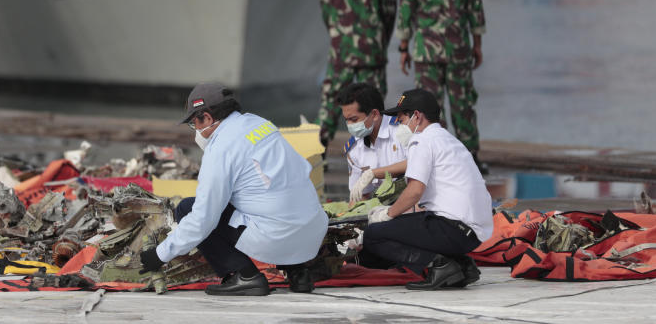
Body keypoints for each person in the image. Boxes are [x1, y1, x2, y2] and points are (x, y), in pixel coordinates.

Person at [139, 82, 328, 296]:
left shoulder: (221, 149)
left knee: (187, 209)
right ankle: (300, 273)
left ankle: (244, 275)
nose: (197, 131)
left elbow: (203, 218)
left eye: (194, 124)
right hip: (313, 230)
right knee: (272, 200)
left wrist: (160, 255)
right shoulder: (261, 124)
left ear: (208, 118)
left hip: (278, 237)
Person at [362, 88, 492, 290]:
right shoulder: (445, 139)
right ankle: (462, 265)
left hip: (453, 229)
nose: (399, 124)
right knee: (409, 223)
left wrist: (387, 214)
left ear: (417, 116)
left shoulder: (421, 140)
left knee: (374, 235)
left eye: (401, 119)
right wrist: (373, 173)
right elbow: (411, 166)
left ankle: (439, 265)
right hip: (473, 233)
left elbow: (415, 191)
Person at [397, 0, 486, 169]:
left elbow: (406, 15)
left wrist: (403, 48)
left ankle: (438, 157)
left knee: (429, 106)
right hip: (458, 50)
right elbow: (475, 12)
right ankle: (472, 157)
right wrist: (477, 44)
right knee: (463, 104)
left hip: (426, 52)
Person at [316, 0, 397, 149]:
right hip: (372, 52)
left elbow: (326, 11)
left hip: (341, 50)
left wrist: (337, 36)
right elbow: (389, 13)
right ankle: (378, 149)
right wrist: (381, 40)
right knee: (374, 101)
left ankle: (320, 147)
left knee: (331, 99)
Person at [337, 83, 408, 204]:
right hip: (384, 207)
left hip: (415, 202)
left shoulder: (402, 129)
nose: (349, 125)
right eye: (346, 120)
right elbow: (359, 196)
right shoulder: (354, 148)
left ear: (374, 114)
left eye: (354, 119)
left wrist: (374, 174)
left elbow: (419, 161)